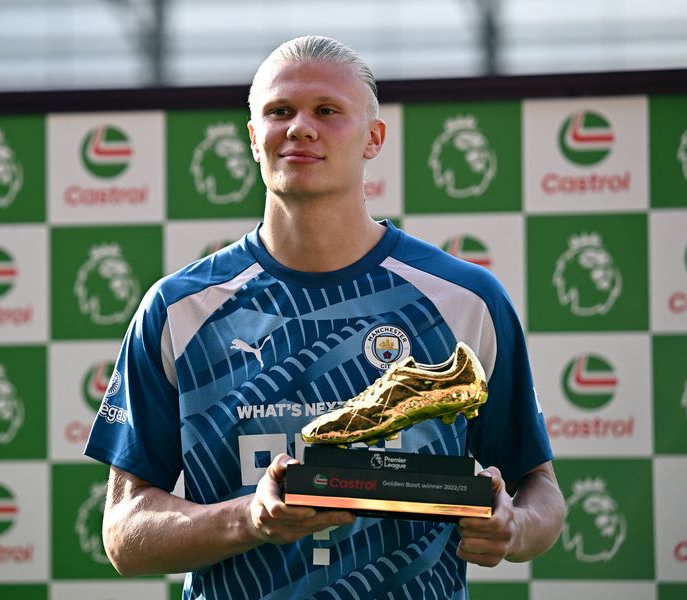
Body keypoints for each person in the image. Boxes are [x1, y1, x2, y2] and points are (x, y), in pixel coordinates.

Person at [84, 35, 566, 599]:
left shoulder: (466, 298)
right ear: (253, 137)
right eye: (279, 111)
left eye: (328, 111)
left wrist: (513, 529)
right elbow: (124, 531)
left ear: (373, 138)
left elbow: (542, 493)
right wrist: (249, 519)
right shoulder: (177, 308)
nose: (301, 128)